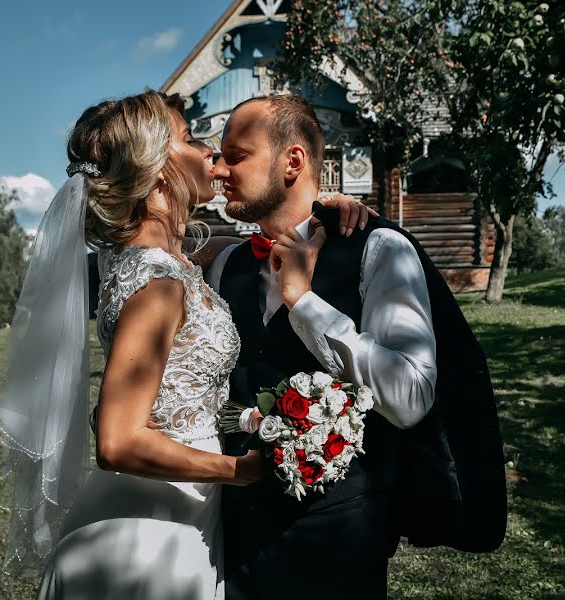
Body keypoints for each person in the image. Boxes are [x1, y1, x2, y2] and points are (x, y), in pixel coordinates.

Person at [0, 90, 374, 600]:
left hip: (181, 515)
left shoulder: (173, 264)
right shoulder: (157, 283)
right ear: (160, 169)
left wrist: (320, 207)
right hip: (142, 541)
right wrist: (240, 470)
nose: (210, 152)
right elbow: (117, 441)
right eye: (191, 138)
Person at [206, 94, 506, 600]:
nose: (218, 170)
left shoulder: (382, 250)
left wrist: (303, 305)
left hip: (338, 546)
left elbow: (411, 396)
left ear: (293, 162)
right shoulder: (223, 265)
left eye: (236, 156)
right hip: (230, 538)